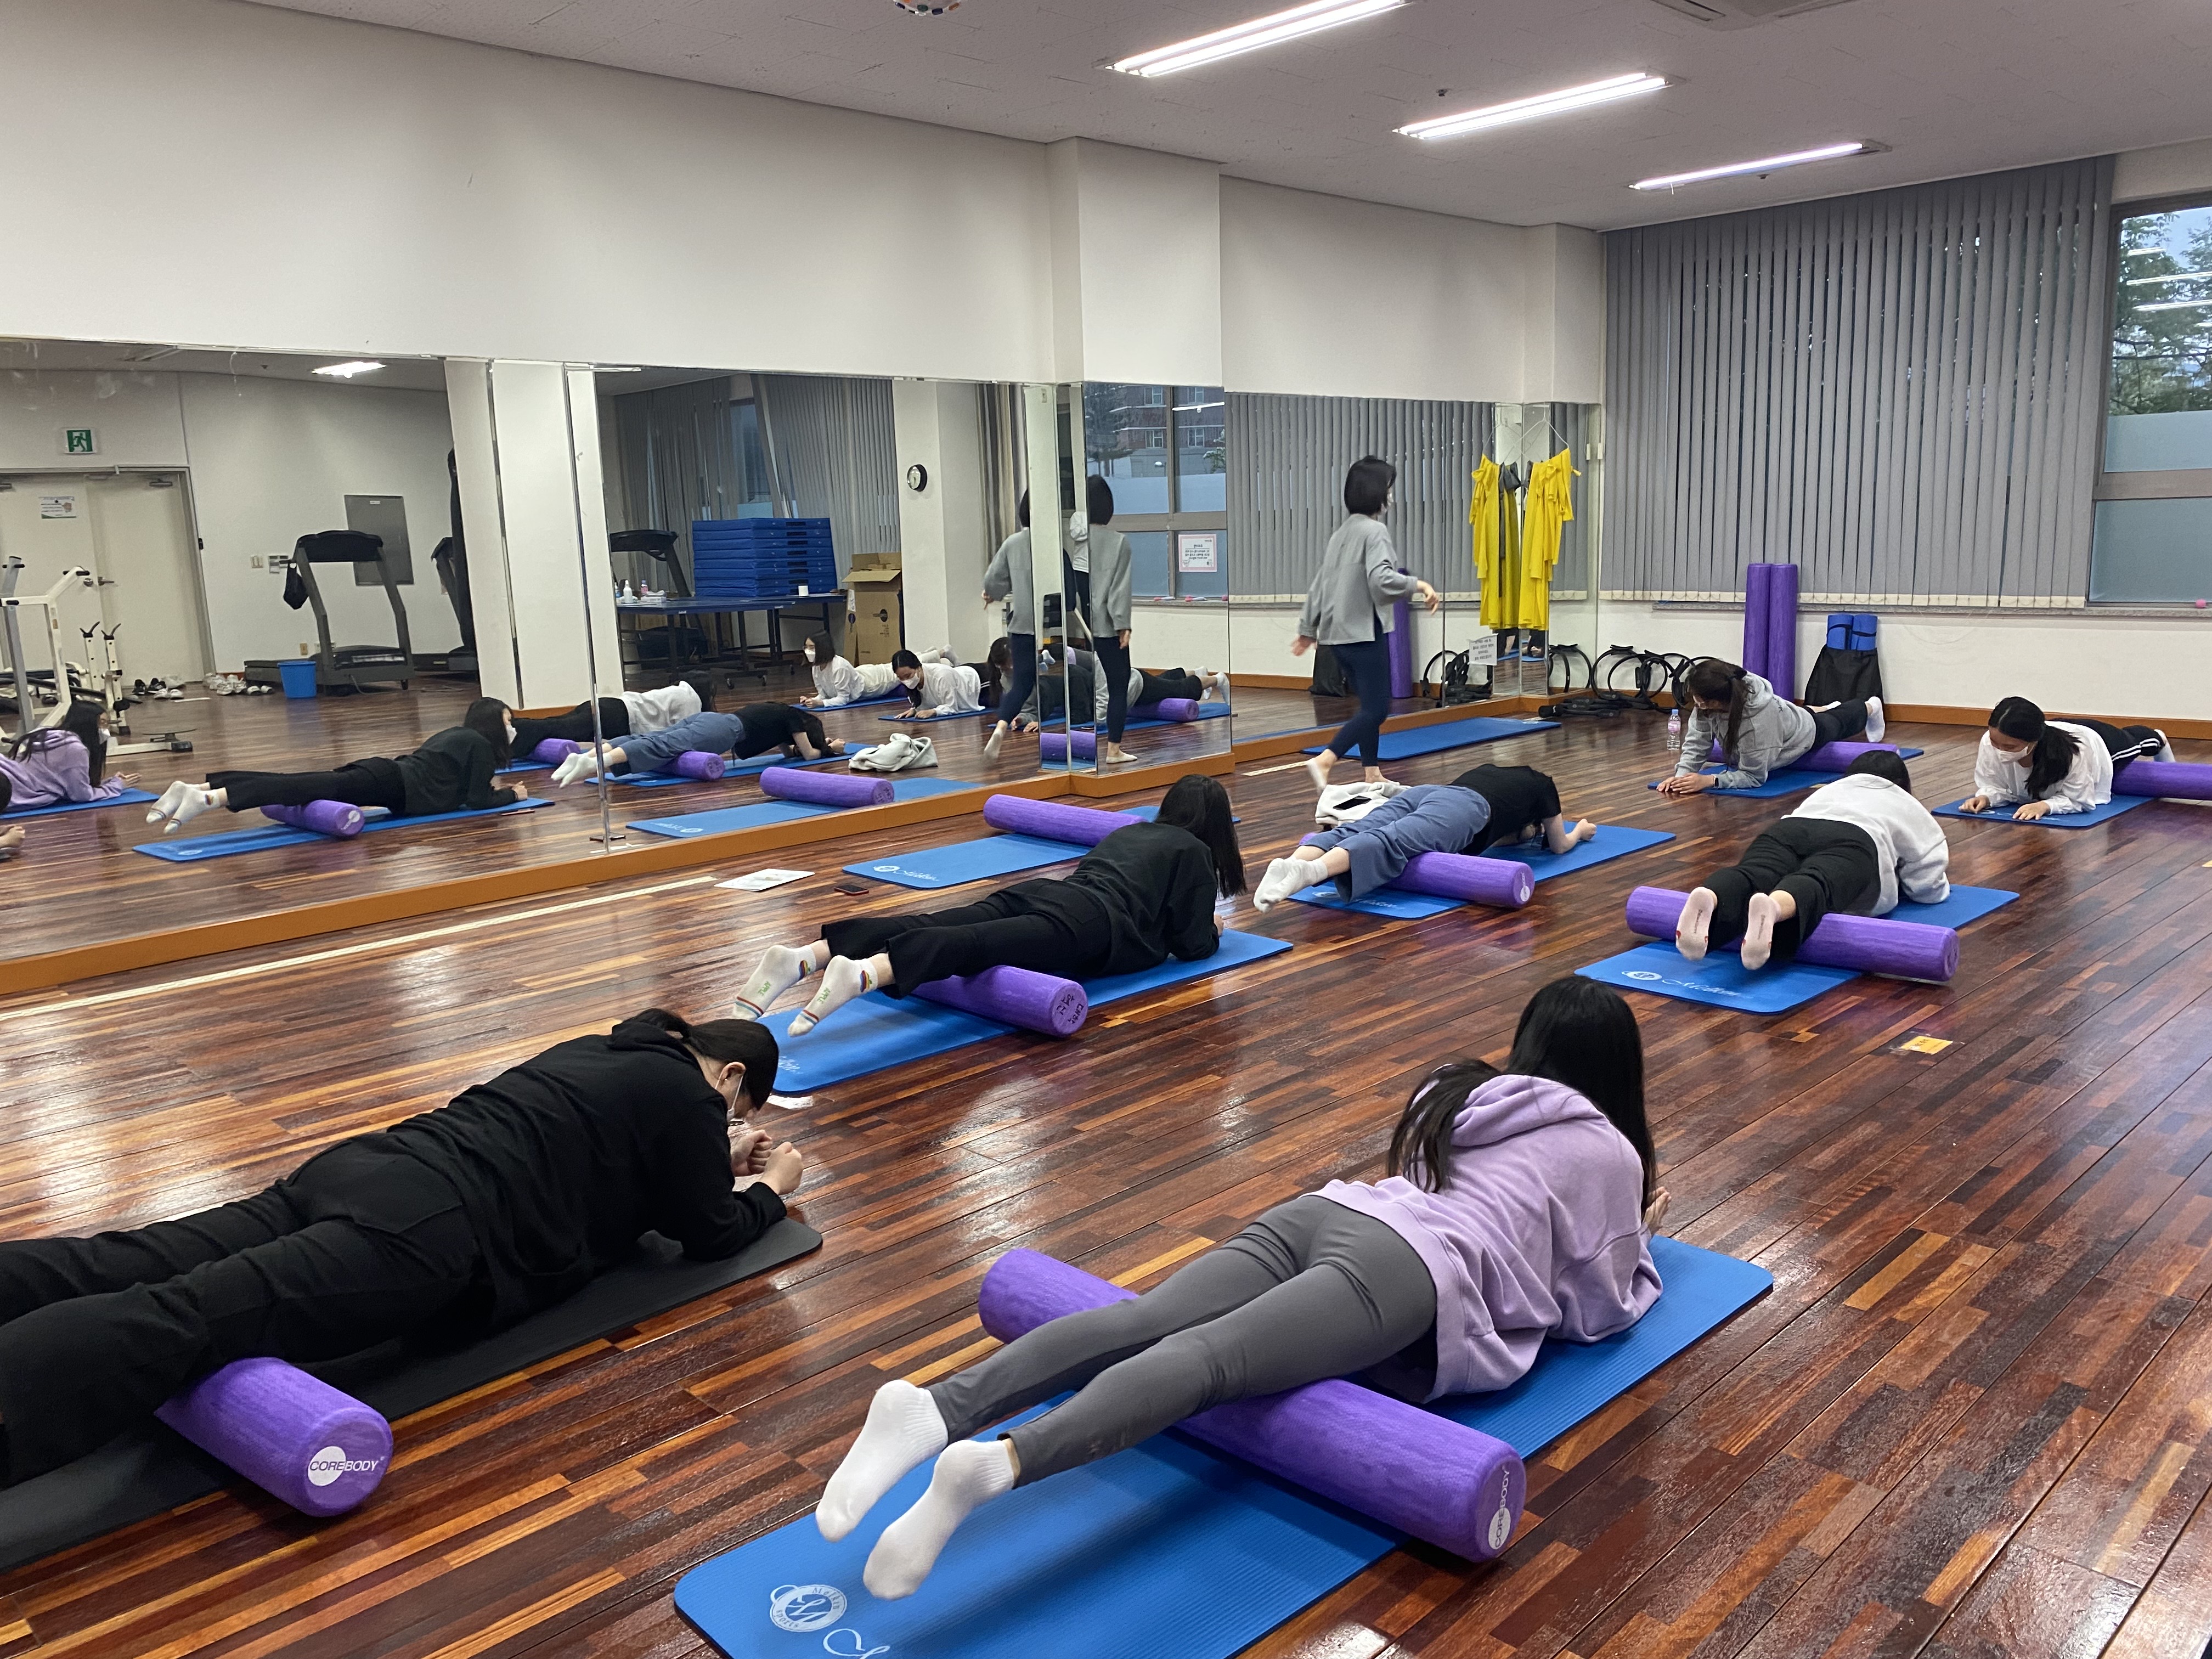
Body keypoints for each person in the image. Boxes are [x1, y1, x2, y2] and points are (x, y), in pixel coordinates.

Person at [814, 976, 1664, 1599]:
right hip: (1405, 1270)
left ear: (1529, 1041)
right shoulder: (1610, 1153)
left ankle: (930, 1409)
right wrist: (1640, 1236)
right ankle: (995, 1464)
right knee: (1209, 1362)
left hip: (1331, 1211)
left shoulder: (1462, 1088)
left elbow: (1436, 1184)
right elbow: (1595, 1311)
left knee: (1145, 1318)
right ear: (1619, 1070)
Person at [0, 1008, 804, 1485]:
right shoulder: (690, 1097)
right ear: (731, 1075)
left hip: (364, 1167)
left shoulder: (608, 1048)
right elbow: (711, 1233)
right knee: (183, 1318)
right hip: (424, 1228)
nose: (727, 1123)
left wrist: (712, 1158)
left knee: (125, 1261)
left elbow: (602, 1156)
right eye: (735, 1113)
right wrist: (771, 1187)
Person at [735, 774, 1246, 1034]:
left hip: (1047, 890)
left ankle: (805, 957)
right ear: (1214, 824)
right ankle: (867, 973)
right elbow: (1192, 944)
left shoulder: (1133, 830)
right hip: (1087, 921)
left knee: (935, 919)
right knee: (975, 944)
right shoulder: (1195, 851)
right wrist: (1214, 931)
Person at [1674, 750, 1949, 969]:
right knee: (1818, 880)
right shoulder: (1904, 801)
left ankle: (1711, 894)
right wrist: (1930, 891)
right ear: (1902, 784)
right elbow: (1927, 880)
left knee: (1755, 872)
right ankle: (1773, 907)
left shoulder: (1831, 789)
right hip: (1855, 839)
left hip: (1787, 829)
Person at [146, 699, 524, 832]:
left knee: (299, 782)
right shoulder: (479, 745)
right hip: (390, 783)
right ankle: (212, 799)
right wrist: (512, 795)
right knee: (298, 786)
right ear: (493, 724)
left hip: (386, 773)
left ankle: (197, 789)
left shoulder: (458, 735)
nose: (511, 728)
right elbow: (478, 799)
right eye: (508, 721)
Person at [1254, 763, 1596, 909]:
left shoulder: (1497, 772)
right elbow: (1559, 845)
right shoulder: (1545, 785)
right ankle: (1309, 873)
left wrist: (1522, 833)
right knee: (1392, 841)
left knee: (1356, 829)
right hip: (1466, 807)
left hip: (1429, 792)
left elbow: (1490, 833)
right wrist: (1580, 831)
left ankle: (1292, 863)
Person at [1291, 457, 1440, 794]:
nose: (1391, 496)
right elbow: (1382, 580)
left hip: (1337, 639)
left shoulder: (1341, 534)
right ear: (1377, 492)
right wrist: (1419, 585)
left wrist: (1307, 629)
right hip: (1364, 633)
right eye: (1389, 489)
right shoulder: (1375, 532)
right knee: (1377, 709)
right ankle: (1327, 758)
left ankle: (1371, 771)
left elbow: (1320, 586)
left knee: (1368, 706)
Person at [1657, 658, 1885, 795]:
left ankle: (1870, 707)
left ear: (1717, 702)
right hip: (1783, 717)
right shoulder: (1711, 700)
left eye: (1700, 701)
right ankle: (1827, 707)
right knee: (1805, 712)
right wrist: (1681, 777)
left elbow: (1753, 777)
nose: (1696, 704)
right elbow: (1697, 742)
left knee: (1839, 722)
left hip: (1803, 733)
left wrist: (1710, 780)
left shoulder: (1758, 723)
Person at [1958, 697, 2171, 820]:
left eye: (2010, 747)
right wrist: (1987, 798)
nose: (2000, 751)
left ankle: (2158, 737)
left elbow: (2081, 800)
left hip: (2098, 740)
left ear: (2033, 741)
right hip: (2057, 729)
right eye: (1996, 744)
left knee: (2136, 741)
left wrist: (2045, 806)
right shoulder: (1990, 741)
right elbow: (1996, 785)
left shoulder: (2075, 752)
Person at [550, 701, 847, 783]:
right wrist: (828, 749)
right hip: (725, 731)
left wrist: (805, 748)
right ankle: (593, 764)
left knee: (653, 737)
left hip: (711, 719)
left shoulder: (782, 712)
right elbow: (809, 755)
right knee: (663, 747)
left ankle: (588, 756)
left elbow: (789, 753)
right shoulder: (797, 720)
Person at [1074, 477, 1139, 765]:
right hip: (1109, 626)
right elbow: (1119, 589)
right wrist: (1123, 624)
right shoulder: (1117, 542)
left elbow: (1078, 582)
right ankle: (1114, 750)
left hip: (1083, 621)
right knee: (1118, 684)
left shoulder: (1077, 540)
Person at [980, 493, 1043, 761]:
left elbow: (993, 581)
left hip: (1021, 623)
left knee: (1020, 685)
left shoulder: (1012, 543)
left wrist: (993, 594)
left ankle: (1002, 725)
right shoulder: (1050, 542)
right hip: (1050, 624)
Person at [510, 673, 714, 754]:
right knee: (555, 728)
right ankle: (511, 732)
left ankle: (513, 732)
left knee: (555, 725)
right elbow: (685, 736)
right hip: (618, 716)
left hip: (612, 706)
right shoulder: (690, 699)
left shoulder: (680, 691)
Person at [1, 702, 136, 815]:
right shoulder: (76, 749)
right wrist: (116, 786)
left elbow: (66, 783)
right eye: (103, 723)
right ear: (87, 723)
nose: (107, 728)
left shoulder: (48, 734)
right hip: (10, 785)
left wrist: (108, 783)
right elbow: (82, 795)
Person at [799, 635, 962, 709]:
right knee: (896, 665)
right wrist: (813, 700)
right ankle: (929, 653)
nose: (808, 651)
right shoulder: (816, 667)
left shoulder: (839, 666)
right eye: (806, 647)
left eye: (812, 647)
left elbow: (843, 699)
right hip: (861, 674)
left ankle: (942, 652)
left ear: (823, 648)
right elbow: (824, 694)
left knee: (902, 668)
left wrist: (821, 704)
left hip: (872, 683)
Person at [889, 648, 985, 719]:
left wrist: (934, 712)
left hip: (977, 682)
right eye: (901, 678)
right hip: (958, 676)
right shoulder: (913, 683)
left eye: (908, 676)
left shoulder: (941, 676)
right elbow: (928, 703)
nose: (906, 680)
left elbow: (952, 707)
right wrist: (915, 710)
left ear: (919, 668)